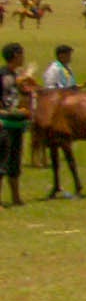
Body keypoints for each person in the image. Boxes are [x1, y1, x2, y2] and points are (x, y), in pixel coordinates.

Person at [0, 43, 28, 207]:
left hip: (17, 124)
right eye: (21, 54)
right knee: (1, 162)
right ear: (16, 55)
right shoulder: (3, 75)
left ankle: (16, 197)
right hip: (4, 124)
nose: (23, 57)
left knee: (15, 162)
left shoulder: (16, 75)